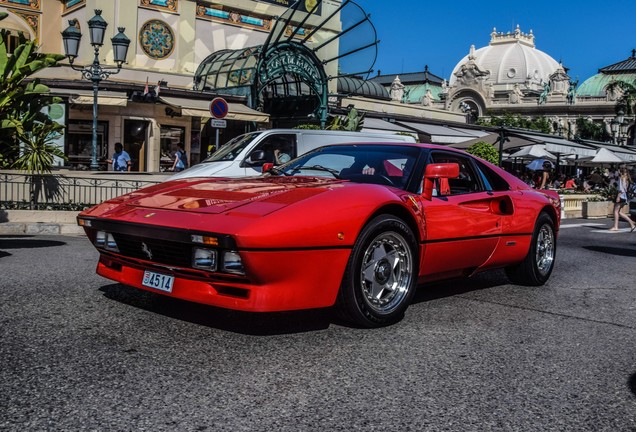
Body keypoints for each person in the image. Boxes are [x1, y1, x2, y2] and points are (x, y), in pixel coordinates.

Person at [610, 166, 636, 232]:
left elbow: (621, 189)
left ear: (621, 172)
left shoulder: (622, 178)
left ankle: (616, 226)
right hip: (624, 197)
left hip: (621, 196)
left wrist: (618, 196)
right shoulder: (627, 178)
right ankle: (631, 223)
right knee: (619, 212)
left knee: (615, 211)